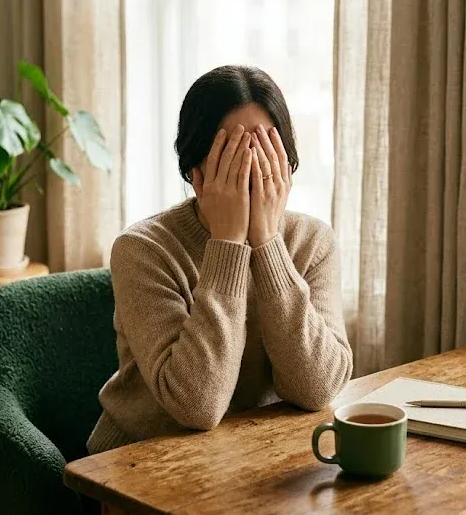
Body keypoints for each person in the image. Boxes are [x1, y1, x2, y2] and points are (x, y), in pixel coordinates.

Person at [87, 65, 353, 454]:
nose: (252, 171)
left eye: (266, 155)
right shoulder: (141, 249)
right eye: (233, 159)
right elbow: (197, 406)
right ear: (196, 173)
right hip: (140, 462)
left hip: (249, 457)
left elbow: (318, 389)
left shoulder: (312, 241)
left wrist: (267, 243)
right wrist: (228, 243)